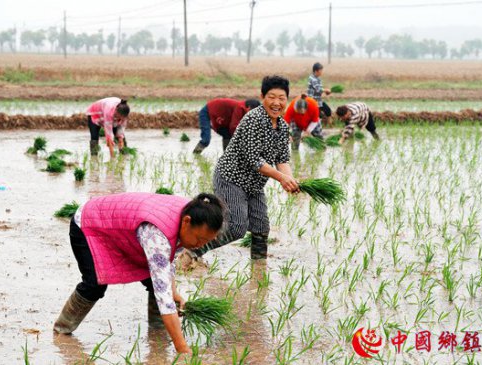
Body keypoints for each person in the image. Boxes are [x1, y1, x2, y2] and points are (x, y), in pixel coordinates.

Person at [53, 192, 225, 355]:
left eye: (206, 242)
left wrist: (174, 292)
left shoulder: (191, 215)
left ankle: (158, 335)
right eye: (199, 239)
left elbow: (167, 261)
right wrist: (183, 350)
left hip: (122, 229)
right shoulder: (158, 234)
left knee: (155, 282)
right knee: (94, 285)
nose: (200, 245)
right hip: (90, 223)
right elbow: (164, 299)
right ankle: (61, 331)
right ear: (187, 222)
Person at [184, 75, 299, 262]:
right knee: (236, 227)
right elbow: (254, 159)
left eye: (281, 98)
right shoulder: (252, 119)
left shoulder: (283, 127)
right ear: (262, 96)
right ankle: (191, 252)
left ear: (287, 100)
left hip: (254, 184)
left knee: (261, 227)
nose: (276, 102)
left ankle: (259, 267)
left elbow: (282, 159)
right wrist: (281, 178)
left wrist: (290, 180)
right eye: (272, 97)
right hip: (231, 179)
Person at [193, 98, 261, 154]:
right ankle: (195, 154)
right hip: (206, 113)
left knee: (227, 134)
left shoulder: (244, 110)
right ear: (249, 108)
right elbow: (233, 127)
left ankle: (226, 156)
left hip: (220, 117)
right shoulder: (240, 108)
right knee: (206, 140)